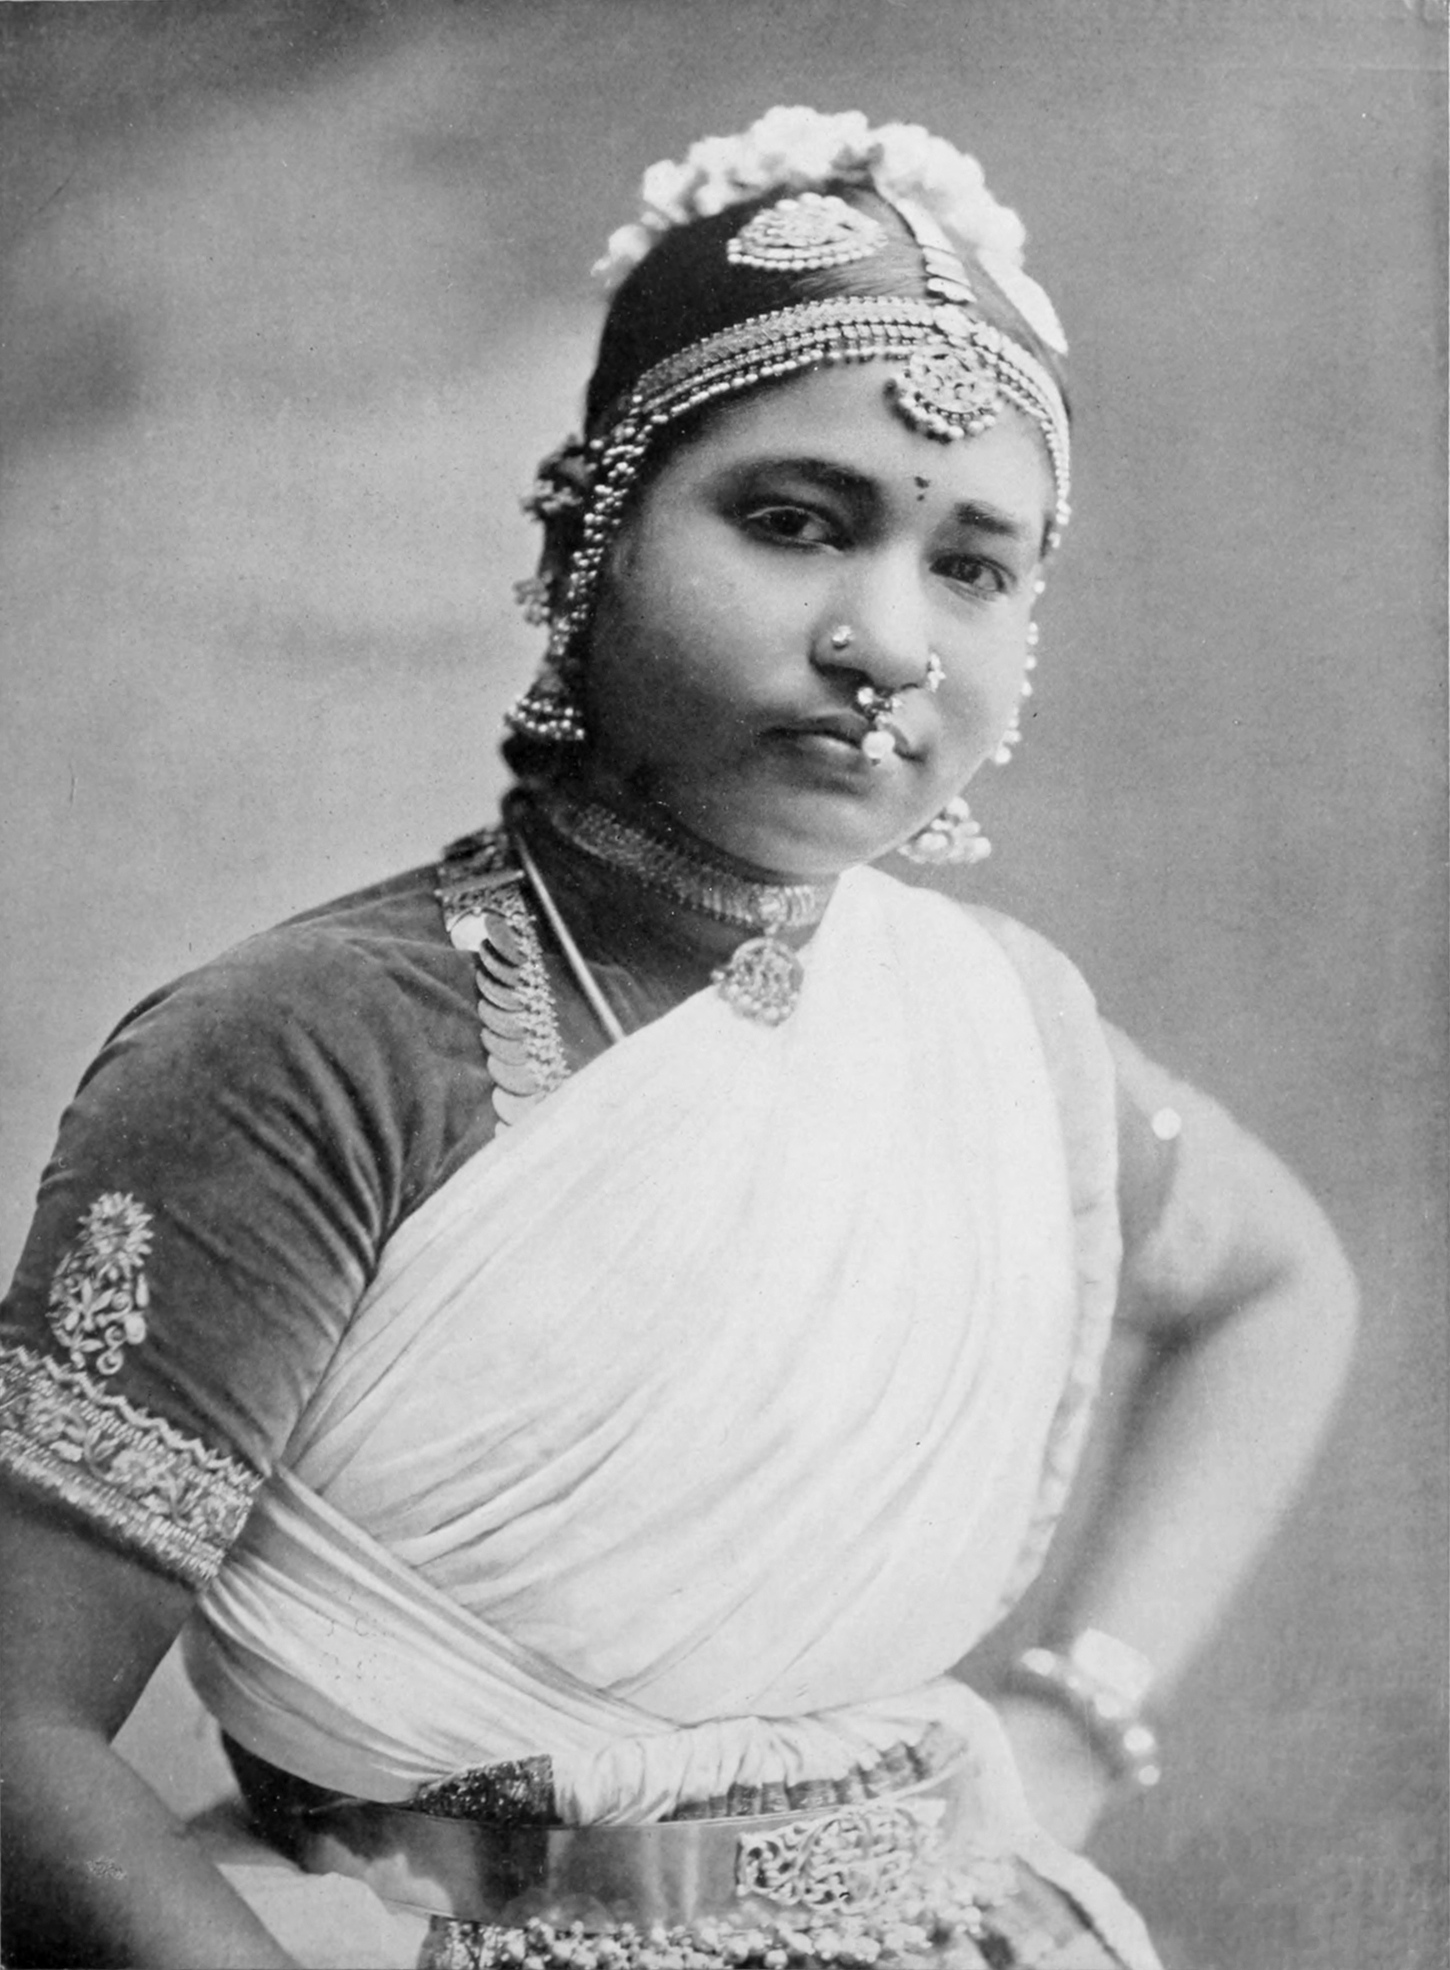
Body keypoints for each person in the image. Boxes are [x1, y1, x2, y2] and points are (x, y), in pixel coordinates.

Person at [0, 108, 1358, 1970]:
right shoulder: (305, 1055)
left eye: (973, 565)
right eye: (795, 523)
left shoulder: (994, 1035)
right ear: (594, 538)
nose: (887, 639)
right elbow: (19, 1726)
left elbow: (1275, 1281)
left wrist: (1076, 1715)